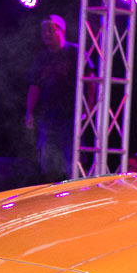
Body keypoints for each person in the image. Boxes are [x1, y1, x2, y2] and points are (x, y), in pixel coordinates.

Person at [25, 15, 90, 182]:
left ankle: (75, 191)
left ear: (62, 31)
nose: (45, 34)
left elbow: (91, 80)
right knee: (47, 160)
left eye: (50, 30)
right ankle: (51, 191)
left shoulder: (75, 52)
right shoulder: (41, 58)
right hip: (48, 117)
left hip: (71, 116)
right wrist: (29, 113)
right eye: (43, 30)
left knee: (72, 159)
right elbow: (34, 86)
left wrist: (88, 107)